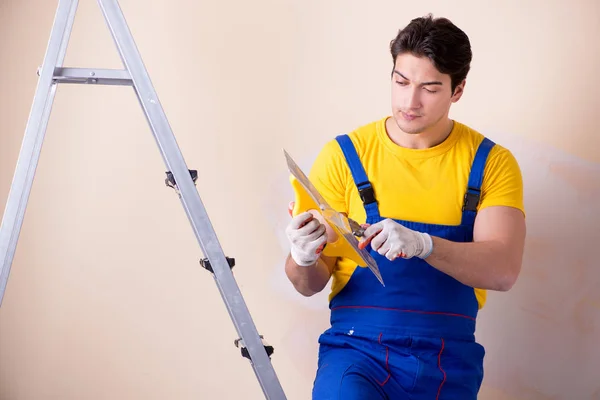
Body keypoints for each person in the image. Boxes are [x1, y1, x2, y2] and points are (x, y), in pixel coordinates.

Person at [283, 13, 526, 400]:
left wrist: (424, 245)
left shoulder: (490, 164)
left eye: (429, 88)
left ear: (457, 90)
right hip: (355, 353)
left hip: (448, 362)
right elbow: (307, 284)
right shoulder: (344, 156)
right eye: (401, 82)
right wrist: (303, 256)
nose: (409, 102)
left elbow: (503, 271)